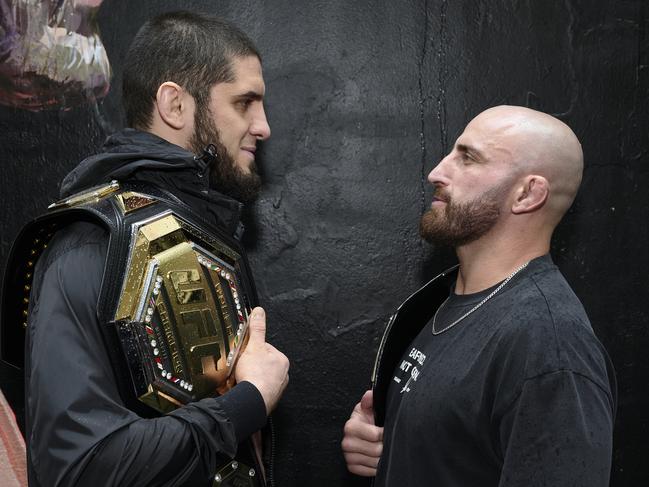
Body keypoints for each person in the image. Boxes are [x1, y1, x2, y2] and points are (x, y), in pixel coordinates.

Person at [5, 11, 289, 487]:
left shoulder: (205, 233)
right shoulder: (89, 245)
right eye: (245, 103)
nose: (263, 127)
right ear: (175, 105)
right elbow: (79, 468)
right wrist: (249, 401)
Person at [341, 105, 616, 486]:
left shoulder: (549, 345)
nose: (436, 172)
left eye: (468, 158)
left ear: (527, 194)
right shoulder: (445, 301)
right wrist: (385, 446)